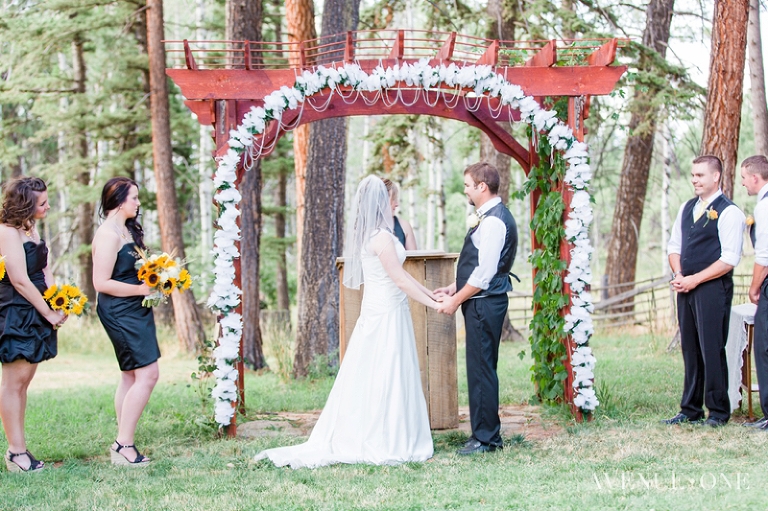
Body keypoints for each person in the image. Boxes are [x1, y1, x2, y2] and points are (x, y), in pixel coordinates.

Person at [254, 176, 438, 468]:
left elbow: (405, 277)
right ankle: (384, 437)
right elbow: (401, 279)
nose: (397, 203)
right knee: (384, 372)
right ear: (381, 203)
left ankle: (397, 432)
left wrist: (433, 294)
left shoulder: (379, 235)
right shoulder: (380, 238)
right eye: (393, 199)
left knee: (391, 370)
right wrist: (435, 305)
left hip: (391, 310)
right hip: (384, 314)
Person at [434, 162, 517, 455]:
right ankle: (482, 434)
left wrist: (454, 303)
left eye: (468, 185)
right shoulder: (489, 217)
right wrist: (453, 288)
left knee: (482, 371)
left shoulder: (494, 221)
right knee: (480, 369)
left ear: (482, 187)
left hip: (484, 304)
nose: (465, 190)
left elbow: (484, 275)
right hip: (480, 302)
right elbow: (478, 268)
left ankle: (487, 439)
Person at [665, 155, 745, 427]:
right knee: (690, 348)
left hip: (712, 289)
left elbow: (730, 258)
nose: (694, 180)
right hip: (684, 286)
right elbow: (674, 246)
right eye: (693, 175)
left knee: (711, 348)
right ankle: (690, 409)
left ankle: (719, 412)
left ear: (716, 177)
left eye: (700, 175)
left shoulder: (729, 212)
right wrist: (679, 275)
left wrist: (695, 280)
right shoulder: (687, 207)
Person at [0, 177, 66, 472]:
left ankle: (20, 448)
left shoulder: (31, 229)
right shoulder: (7, 232)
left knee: (24, 383)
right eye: (42, 203)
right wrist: (47, 313)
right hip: (16, 310)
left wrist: (58, 303)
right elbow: (19, 279)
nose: (48, 207)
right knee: (13, 384)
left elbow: (43, 269)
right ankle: (15, 453)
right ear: (25, 204)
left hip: (38, 308)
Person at [92, 177, 157, 465]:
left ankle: (124, 437)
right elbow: (101, 282)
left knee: (130, 375)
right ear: (119, 201)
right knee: (148, 374)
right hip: (119, 311)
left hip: (136, 308)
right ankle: (123, 445)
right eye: (134, 197)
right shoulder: (107, 234)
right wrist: (141, 289)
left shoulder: (126, 230)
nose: (138, 203)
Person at [740, 155, 768, 429]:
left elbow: (764, 255)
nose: (743, 183)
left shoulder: (764, 206)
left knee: (763, 346)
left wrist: (754, 286)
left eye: (744, 178)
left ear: (756, 178)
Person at [381, 178, 417, 250]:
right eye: (393, 199)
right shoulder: (364, 228)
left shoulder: (404, 226)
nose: (397, 204)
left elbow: (415, 260)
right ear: (382, 201)